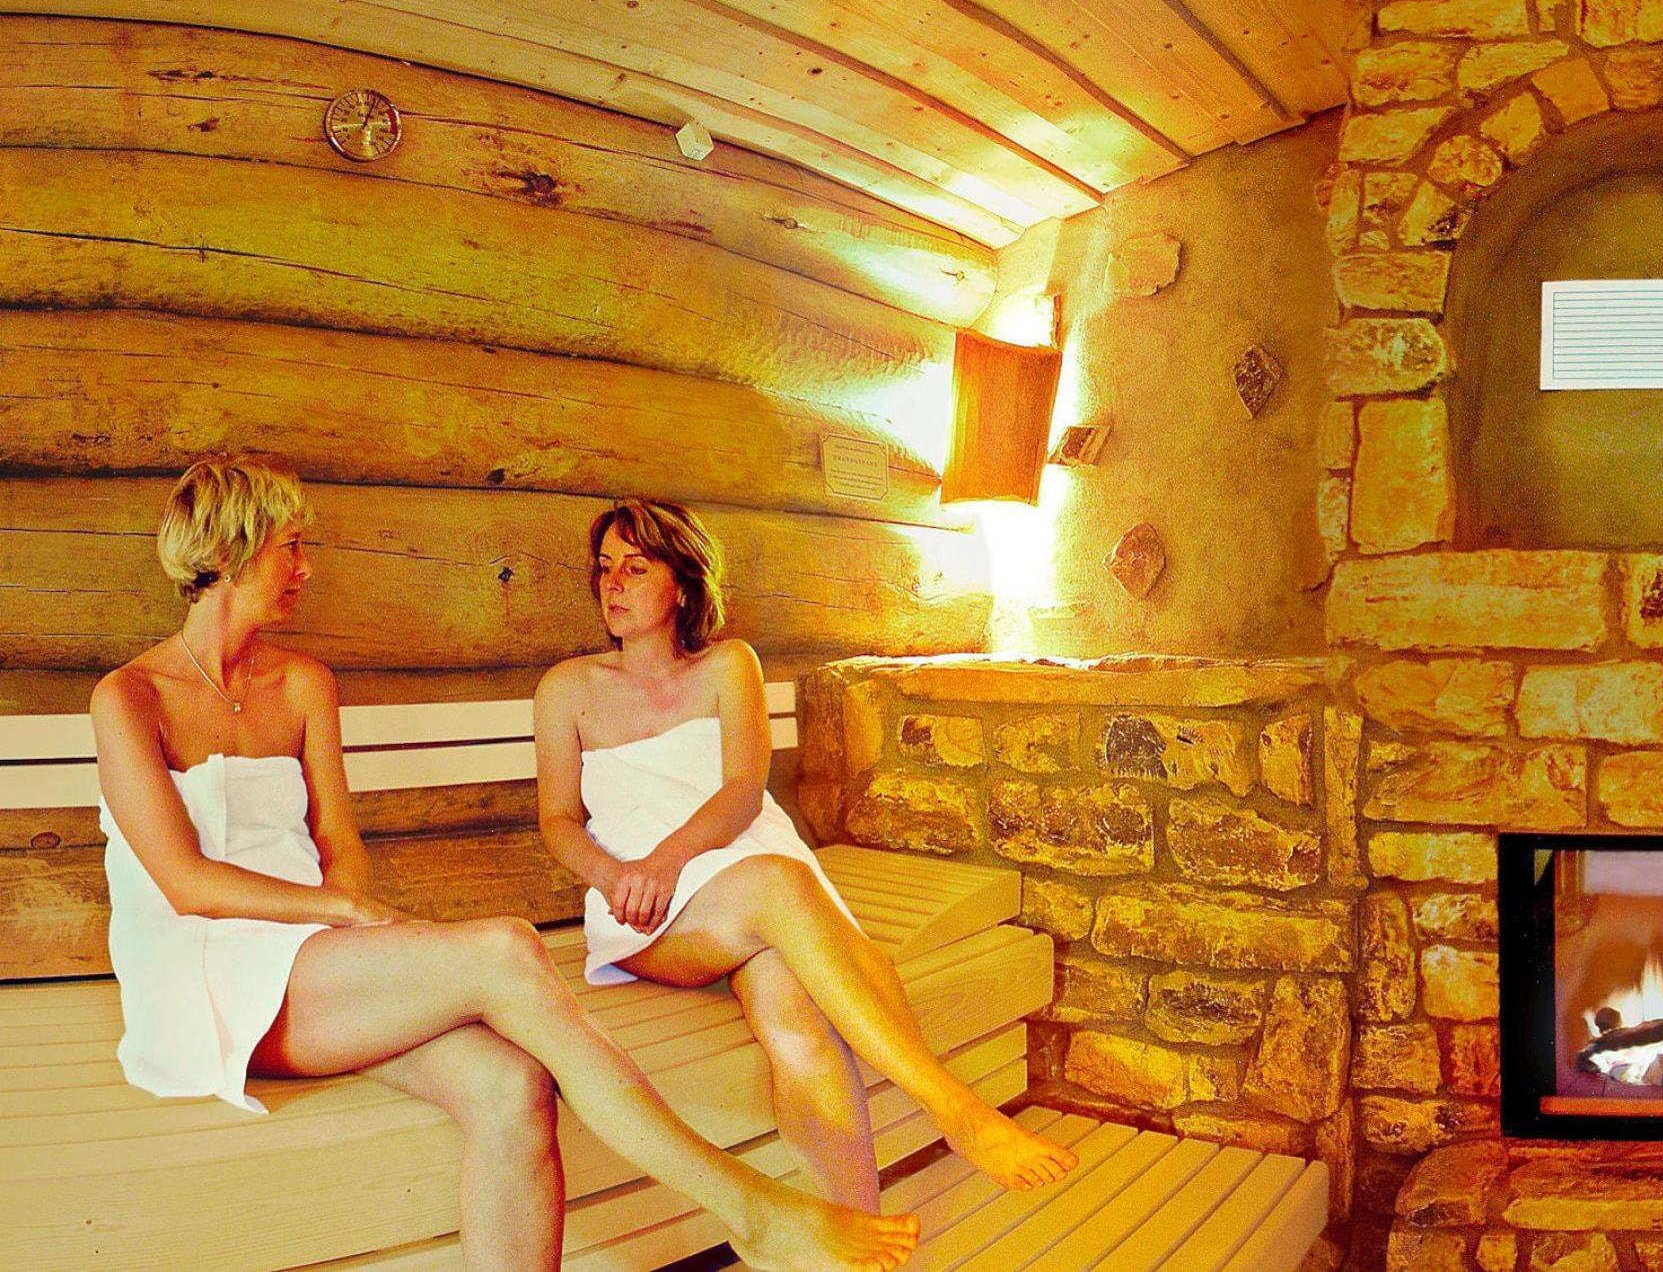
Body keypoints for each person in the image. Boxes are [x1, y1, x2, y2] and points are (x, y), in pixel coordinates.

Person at [90, 454, 917, 1272]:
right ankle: (752, 1210)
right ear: (232, 551)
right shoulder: (130, 697)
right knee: (507, 946)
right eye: (291, 547)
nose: (306, 567)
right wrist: (346, 916)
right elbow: (183, 881)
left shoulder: (304, 684)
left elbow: (339, 844)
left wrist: (361, 935)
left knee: (514, 1086)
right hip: (204, 975)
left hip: (313, 964)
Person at [533, 498, 1079, 1212]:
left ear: (683, 584)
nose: (613, 583)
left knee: (795, 1011)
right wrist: (617, 876)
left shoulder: (730, 665)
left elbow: (741, 792)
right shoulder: (567, 689)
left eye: (635, 568)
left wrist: (672, 856)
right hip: (646, 908)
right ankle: (956, 1109)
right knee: (786, 889)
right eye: (605, 567)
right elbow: (557, 820)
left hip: (742, 870)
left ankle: (854, 1231)